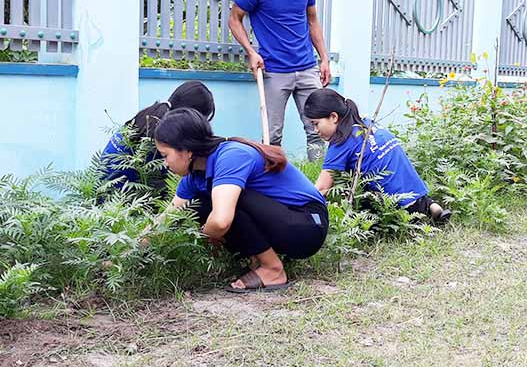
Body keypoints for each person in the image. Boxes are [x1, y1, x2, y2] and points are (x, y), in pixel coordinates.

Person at [154, 108, 328, 293]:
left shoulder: (231, 156)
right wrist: (132, 248)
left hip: (308, 224)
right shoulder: (193, 177)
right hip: (282, 221)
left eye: (165, 155)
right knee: (201, 206)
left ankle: (273, 269)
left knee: (222, 204)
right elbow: (168, 218)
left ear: (187, 150)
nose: (165, 163)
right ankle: (259, 260)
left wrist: (204, 235)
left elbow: (220, 221)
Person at [228, 0, 329, 160]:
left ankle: (320, 183)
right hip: (274, 70)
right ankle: (274, 185)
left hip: (307, 67)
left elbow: (312, 20)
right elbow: (235, 20)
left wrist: (324, 58)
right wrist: (251, 52)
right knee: (272, 137)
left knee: (318, 131)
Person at [304, 89, 451, 223]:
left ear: (333, 117)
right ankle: (431, 206)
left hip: (396, 208)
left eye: (316, 124)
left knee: (339, 191)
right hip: (418, 195)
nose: (315, 130)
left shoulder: (341, 142)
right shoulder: (367, 123)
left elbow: (321, 189)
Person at [99, 80, 216, 190]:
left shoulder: (150, 115)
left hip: (102, 187)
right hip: (121, 196)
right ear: (191, 115)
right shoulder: (164, 131)